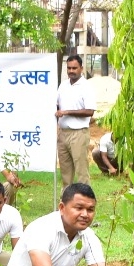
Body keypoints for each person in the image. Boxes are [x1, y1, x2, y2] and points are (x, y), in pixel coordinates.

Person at [55, 55, 94, 186]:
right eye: (69, 68)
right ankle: (67, 197)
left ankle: (86, 197)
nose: (71, 71)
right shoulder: (63, 85)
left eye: (74, 68)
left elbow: (90, 111)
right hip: (63, 133)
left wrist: (67, 112)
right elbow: (56, 105)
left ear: (81, 68)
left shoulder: (86, 86)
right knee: (65, 172)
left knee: (81, 171)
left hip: (79, 134)